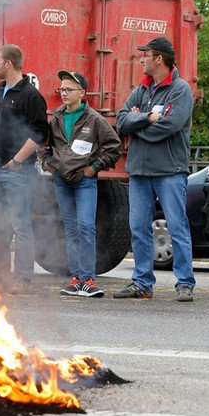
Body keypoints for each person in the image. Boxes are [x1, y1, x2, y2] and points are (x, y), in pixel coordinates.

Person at [114, 37, 196, 302]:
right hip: (139, 171)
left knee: (177, 226)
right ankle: (142, 283)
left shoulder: (180, 90)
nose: (141, 59)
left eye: (145, 55)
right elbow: (121, 121)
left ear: (158, 58)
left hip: (170, 170)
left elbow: (169, 126)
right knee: (138, 227)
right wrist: (146, 118)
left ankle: (184, 282)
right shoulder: (141, 90)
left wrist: (138, 129)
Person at [41, 71, 122, 297]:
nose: (64, 94)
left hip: (84, 182)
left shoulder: (94, 119)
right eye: (62, 90)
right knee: (71, 229)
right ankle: (75, 279)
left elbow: (115, 146)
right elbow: (45, 146)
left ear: (82, 93)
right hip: (61, 181)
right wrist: (48, 163)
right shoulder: (56, 117)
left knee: (86, 227)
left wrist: (93, 168)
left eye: (69, 90)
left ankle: (88, 280)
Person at [0, 44, 49, 295]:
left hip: (17, 172)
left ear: (9, 63)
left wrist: (17, 161)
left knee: (20, 225)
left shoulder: (31, 95)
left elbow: (40, 132)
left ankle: (22, 279)